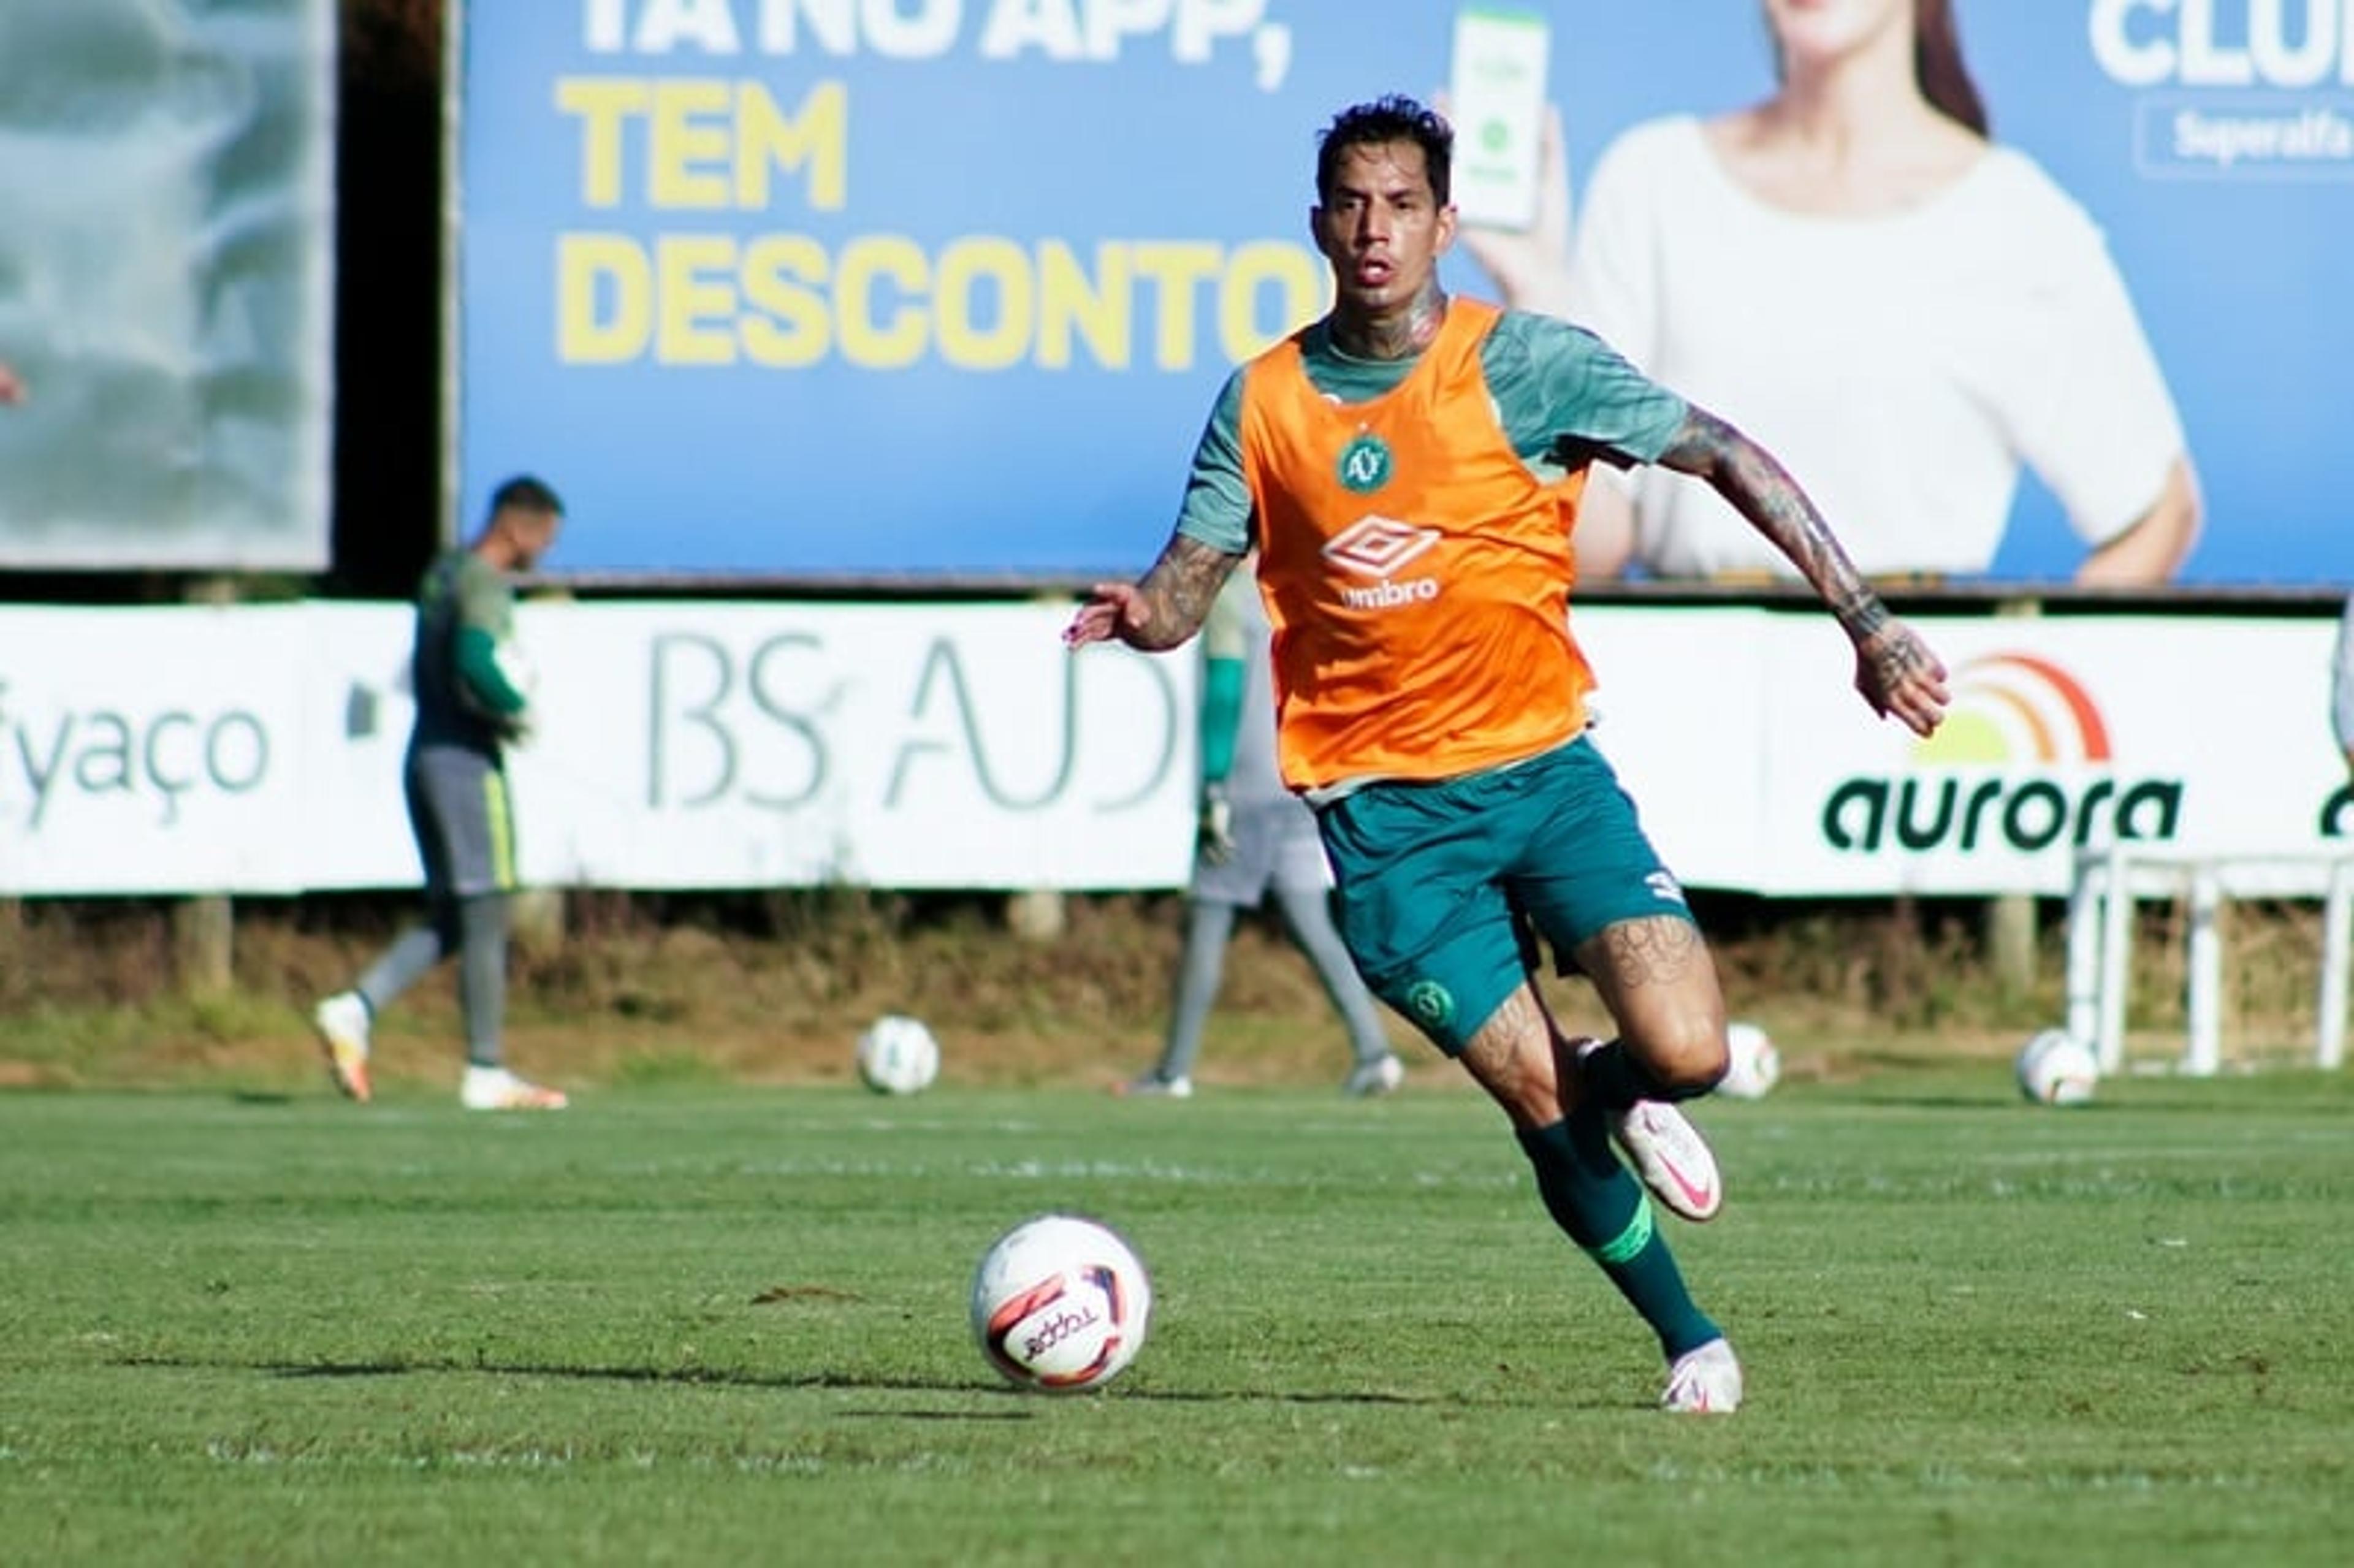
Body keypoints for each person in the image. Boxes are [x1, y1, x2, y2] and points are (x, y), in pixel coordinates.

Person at [1065, 95, 1949, 1414]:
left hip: (1545, 778)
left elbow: (1724, 454)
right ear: (1319, 224)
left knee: (1694, 1051)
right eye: (1353, 204)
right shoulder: (1262, 401)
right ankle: (1691, 1339)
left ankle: (1625, 1080)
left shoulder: (1527, 365)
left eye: (1403, 205)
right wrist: (1142, 616)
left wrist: (1867, 624)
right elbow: (1189, 587)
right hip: (1385, 828)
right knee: (1535, 1090)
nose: (1376, 229)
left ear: (1446, 224)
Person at [1463, 0, 2201, 585]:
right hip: (1689, 692)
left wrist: (2021, 689)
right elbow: (1591, 547)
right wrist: (1540, 302)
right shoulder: (1653, 181)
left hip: (1916, 729)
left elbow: (2156, 512)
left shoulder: (2016, 219)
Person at [312, 476, 569, 1111]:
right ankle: (485, 1067)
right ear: (520, 527)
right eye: (545, 539)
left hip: (425, 755)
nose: (545, 553)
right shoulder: (483, 580)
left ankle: (356, 1007)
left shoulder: (445, 571)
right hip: (465, 761)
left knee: (457, 916)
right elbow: (476, 656)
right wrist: (517, 708)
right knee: (489, 906)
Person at [1120, 561, 1406, 1100]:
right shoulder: (1301, 584)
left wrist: (1212, 786)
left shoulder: (1231, 594)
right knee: (1312, 922)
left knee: (1208, 916)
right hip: (1298, 772)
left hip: (1246, 783)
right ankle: (1375, 1052)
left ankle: (1172, 1070)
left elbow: (1226, 690)